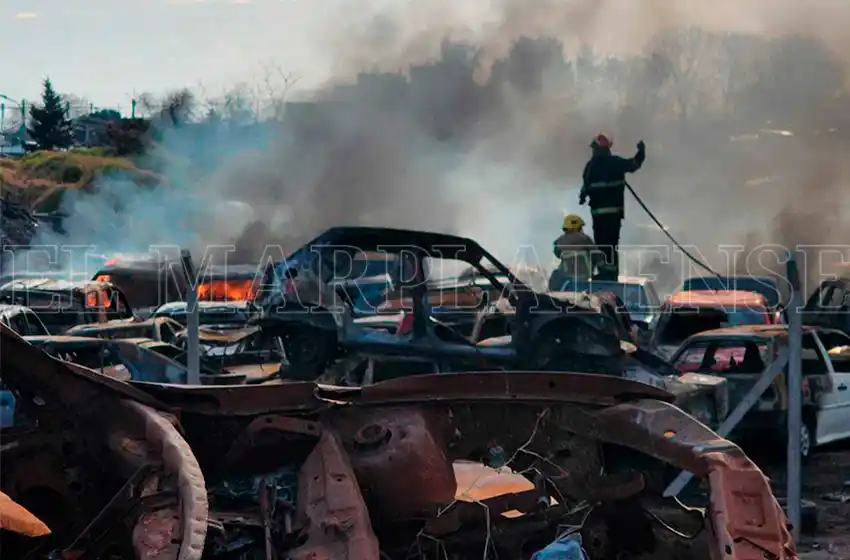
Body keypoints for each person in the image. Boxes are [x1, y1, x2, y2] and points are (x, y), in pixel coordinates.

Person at [579, 134, 645, 280]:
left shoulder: (590, 167)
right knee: (611, 246)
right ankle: (611, 274)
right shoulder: (615, 163)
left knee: (601, 245)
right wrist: (641, 152)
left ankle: (604, 273)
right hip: (614, 215)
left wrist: (583, 196)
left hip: (598, 215)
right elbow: (633, 164)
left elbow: (585, 188)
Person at [548, 214, 600, 291]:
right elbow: (596, 255)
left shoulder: (559, 241)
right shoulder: (585, 238)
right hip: (585, 276)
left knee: (555, 274)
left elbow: (557, 254)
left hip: (567, 277)